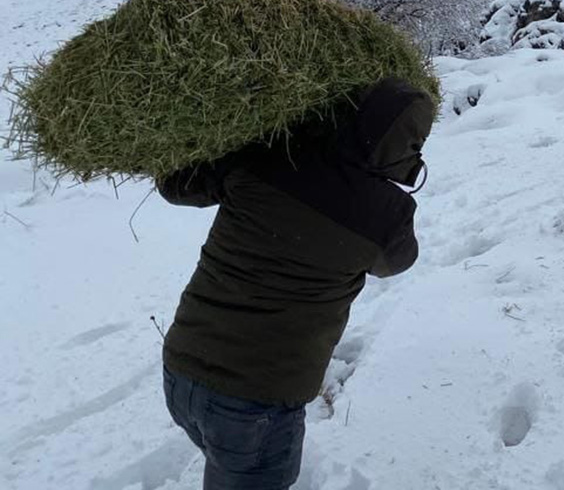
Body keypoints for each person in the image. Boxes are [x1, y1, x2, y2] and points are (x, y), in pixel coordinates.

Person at [156, 77, 435, 490]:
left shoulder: (268, 155)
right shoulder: (385, 215)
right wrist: (392, 174)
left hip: (181, 370)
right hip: (257, 402)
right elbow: (398, 261)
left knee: (225, 459)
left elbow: (175, 184)